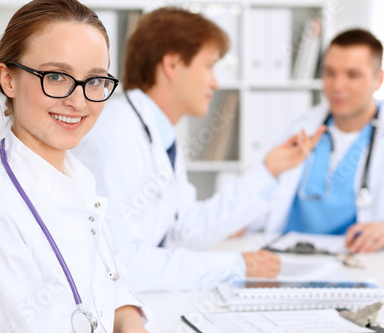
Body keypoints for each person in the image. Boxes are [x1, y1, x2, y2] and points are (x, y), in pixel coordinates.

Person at [73, 7, 324, 292]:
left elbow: (183, 231)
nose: (215, 82)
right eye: (209, 66)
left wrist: (269, 171)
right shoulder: (116, 136)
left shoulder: (159, 135)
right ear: (172, 64)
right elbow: (117, 265)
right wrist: (234, 266)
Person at [0, 0, 149, 332]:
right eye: (56, 76)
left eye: (94, 80)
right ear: (8, 79)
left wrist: (128, 318)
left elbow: (110, 287)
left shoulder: (77, 181)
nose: (78, 102)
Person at [253, 29, 384, 253]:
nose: (337, 86)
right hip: (290, 255)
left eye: (352, 75)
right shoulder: (301, 128)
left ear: (378, 79)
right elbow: (266, 192)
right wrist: (241, 218)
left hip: (358, 262)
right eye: (329, 73)